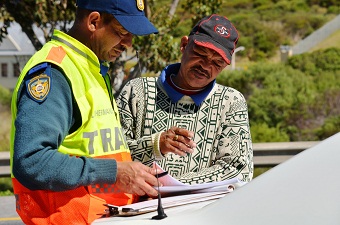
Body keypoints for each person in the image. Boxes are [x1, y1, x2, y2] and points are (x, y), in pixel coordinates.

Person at [10, 0, 160, 224]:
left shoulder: (93, 68)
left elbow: (100, 152)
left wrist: (137, 183)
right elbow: (31, 161)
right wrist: (116, 173)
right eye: (123, 32)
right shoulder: (56, 72)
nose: (128, 43)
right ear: (94, 22)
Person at [116, 14, 253, 185]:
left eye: (217, 63)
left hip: (203, 210)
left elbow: (239, 170)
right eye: (200, 54)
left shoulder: (231, 102)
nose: (205, 66)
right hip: (140, 209)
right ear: (184, 45)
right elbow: (112, 156)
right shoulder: (137, 91)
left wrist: (173, 186)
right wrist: (156, 144)